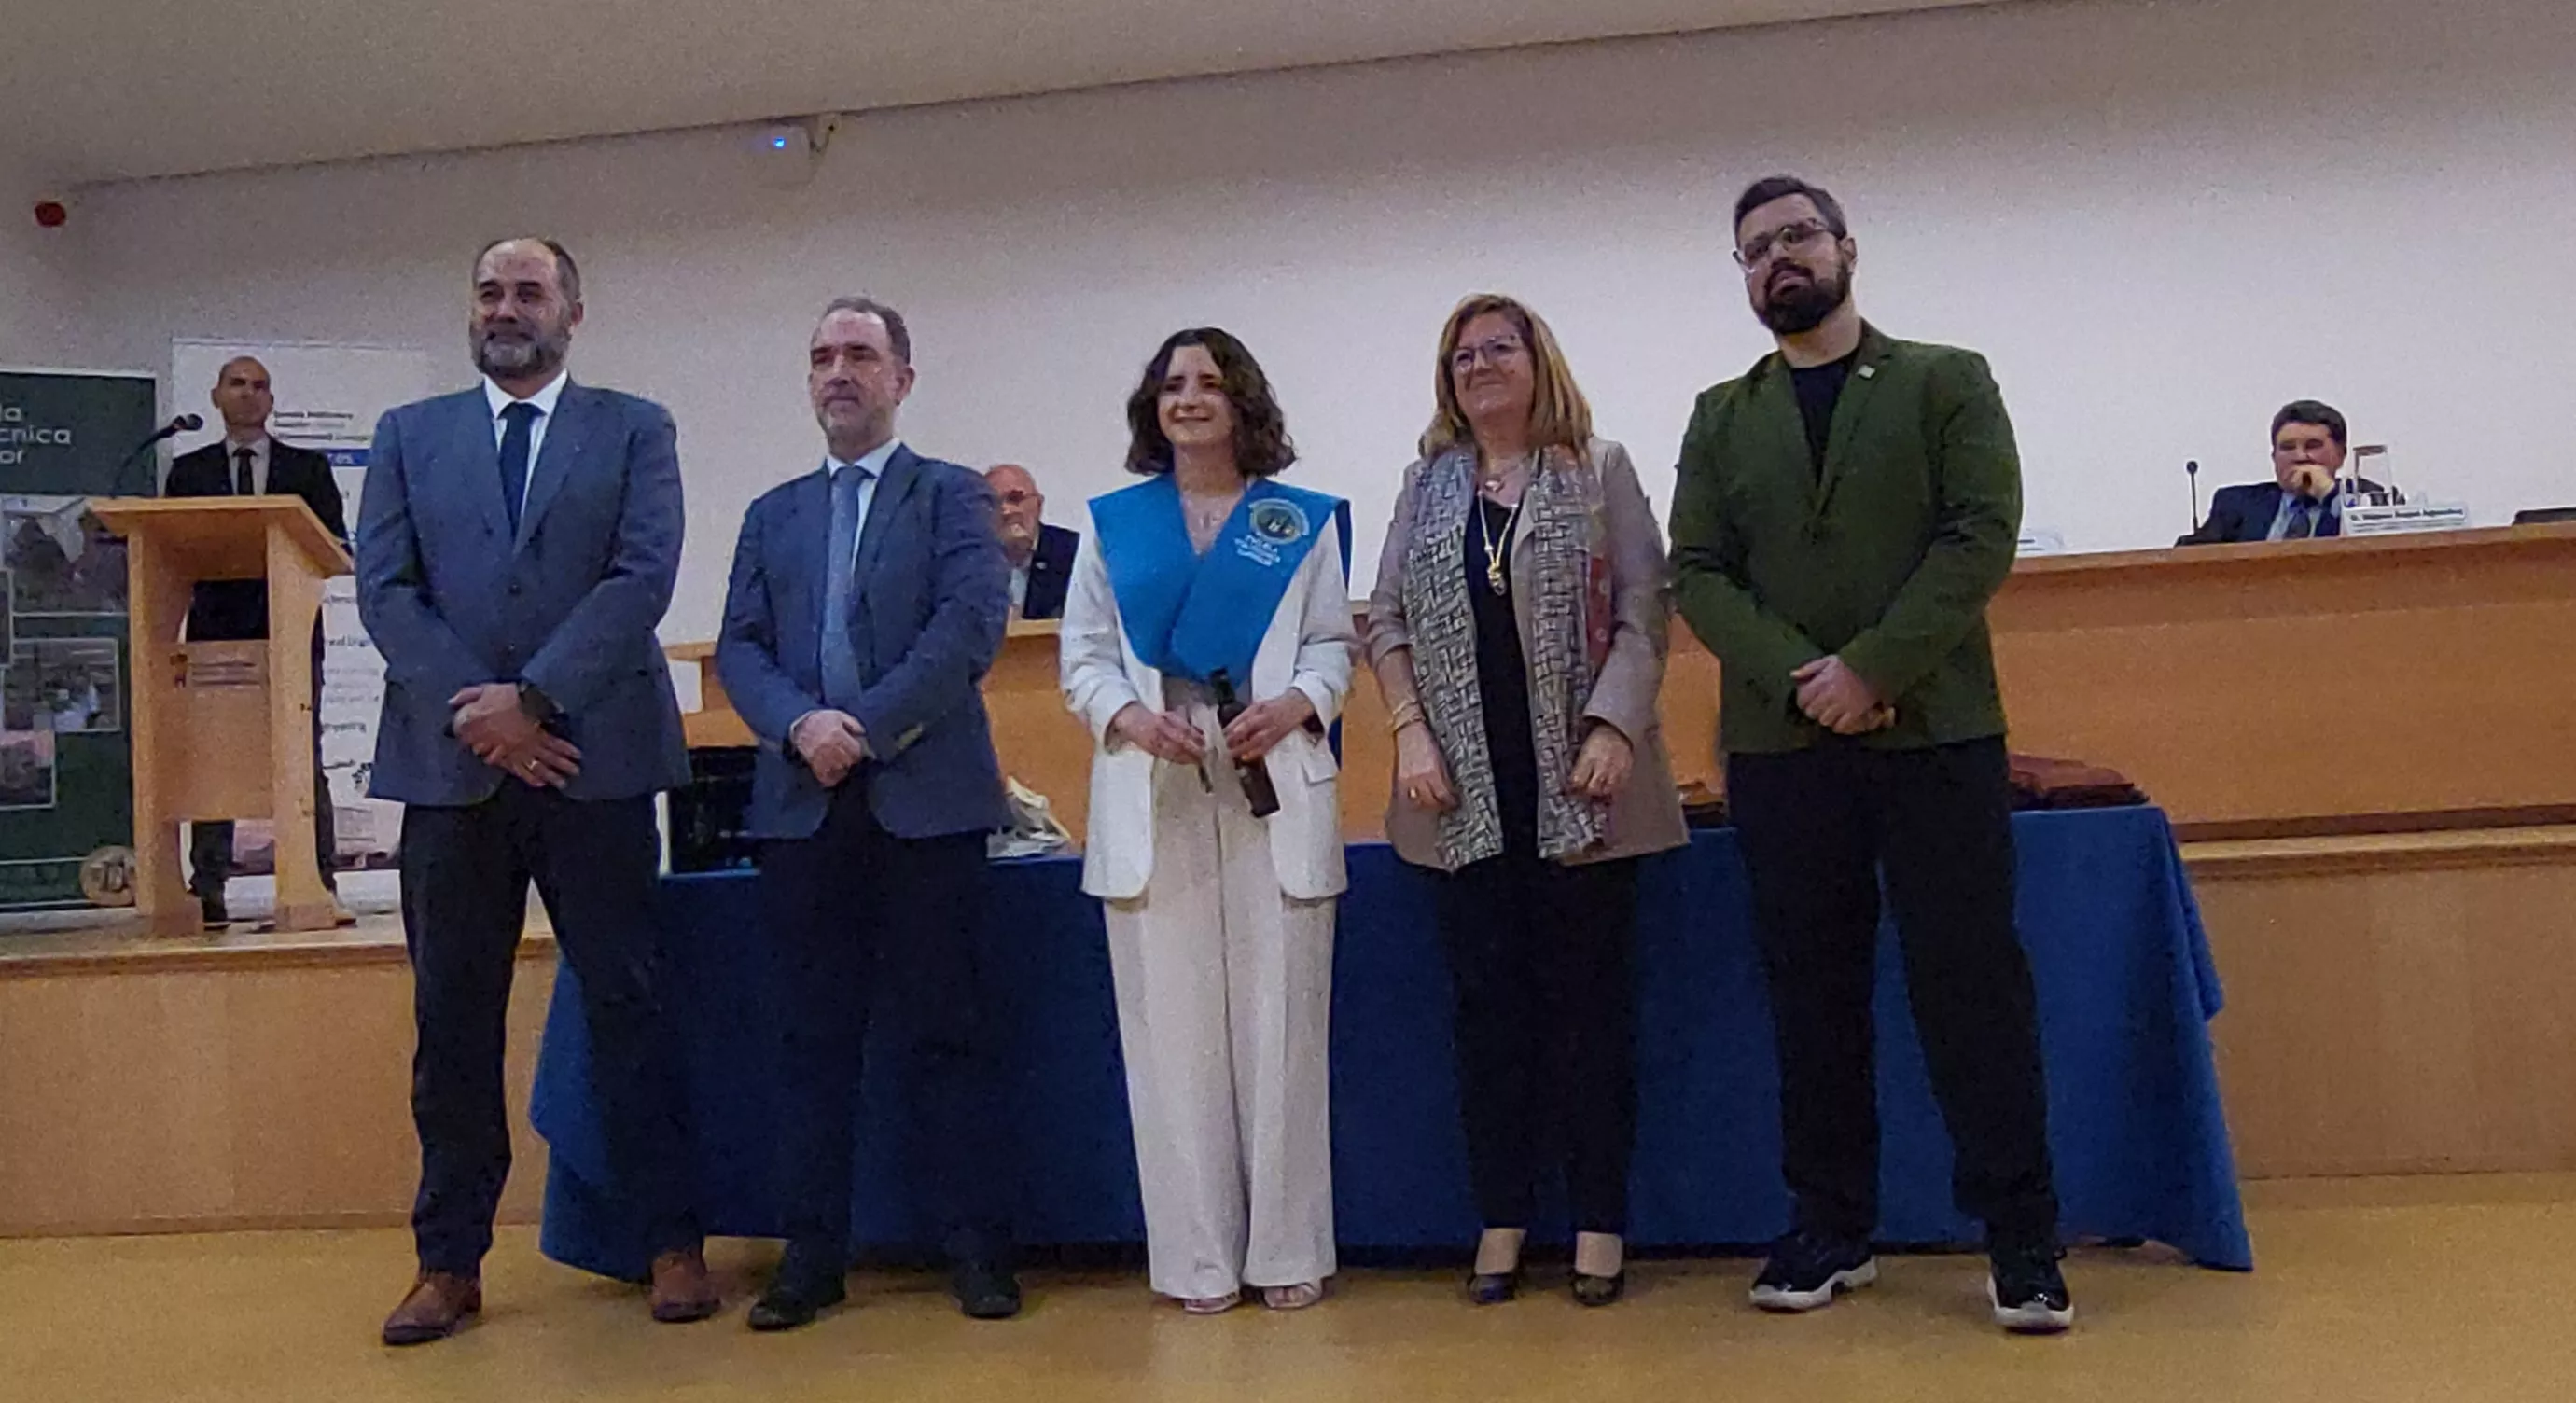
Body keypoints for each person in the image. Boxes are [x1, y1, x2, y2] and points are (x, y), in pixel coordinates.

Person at [1667, 175, 2072, 1334]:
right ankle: (1829, 1226)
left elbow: (1977, 532)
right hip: (1783, 749)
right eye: (1753, 251)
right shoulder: (1720, 413)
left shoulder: (1946, 378)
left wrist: (1873, 670)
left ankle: (2022, 1239)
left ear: (1846, 247)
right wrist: (1808, 675)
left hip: (1934, 733)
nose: (1776, 260)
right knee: (1811, 995)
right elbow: (1698, 569)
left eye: (1795, 236)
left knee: (1971, 988)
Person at [357, 237, 711, 1344]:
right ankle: (448, 1262)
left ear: (574, 311)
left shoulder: (634, 426)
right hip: (449, 769)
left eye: (529, 291)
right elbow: (386, 587)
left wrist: (540, 701)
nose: (506, 308)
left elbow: (641, 575)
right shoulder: (409, 436)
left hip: (593, 759)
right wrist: (489, 713)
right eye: (489, 290)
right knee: (450, 1021)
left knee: (629, 1006)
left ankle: (670, 1241)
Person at [1365, 294, 1686, 1307]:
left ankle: (1598, 1223)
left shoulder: (1598, 468)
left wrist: (1612, 724)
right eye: (1461, 354)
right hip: (1459, 796)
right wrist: (1409, 728)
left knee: (1593, 1019)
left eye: (1498, 347)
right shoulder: (1426, 487)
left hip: (1588, 791)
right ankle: (1499, 1216)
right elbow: (1384, 620)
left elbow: (1646, 605)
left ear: (1536, 359)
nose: (1479, 365)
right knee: (1486, 1020)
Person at [715, 296, 1023, 1331]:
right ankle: (811, 1257)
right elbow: (741, 648)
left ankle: (975, 1250)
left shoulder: (953, 498)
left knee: (950, 1034)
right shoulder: (772, 514)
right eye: (821, 357)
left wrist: (865, 727)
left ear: (902, 378)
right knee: (810, 1042)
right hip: (802, 808)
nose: (837, 372)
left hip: (925, 805)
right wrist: (804, 728)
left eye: (859, 355)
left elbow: (967, 631)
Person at [1059, 327, 1353, 1314]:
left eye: (1211, 383)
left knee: (1280, 1031)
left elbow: (1332, 643)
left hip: (1270, 784)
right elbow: (1084, 656)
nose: (1190, 397)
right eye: (1174, 383)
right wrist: (1129, 717)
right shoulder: (1113, 526)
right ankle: (1195, 1261)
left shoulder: (1296, 522)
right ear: (1153, 404)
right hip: (1155, 788)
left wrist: (1301, 702)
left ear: (1242, 403)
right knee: (1171, 1041)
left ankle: (1285, 1250)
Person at [163, 355, 351, 928]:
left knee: (304, 753)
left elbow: (334, 545)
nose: (249, 394)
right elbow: (172, 547)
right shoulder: (189, 472)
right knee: (212, 750)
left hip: (289, 629)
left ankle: (318, 881)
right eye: (237, 385)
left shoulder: (307, 468)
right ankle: (209, 887)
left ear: (271, 402)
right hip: (217, 629)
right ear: (216, 396)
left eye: (260, 386)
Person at [2178, 400, 2389, 545]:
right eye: (2288, 447)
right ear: (2274, 457)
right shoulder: (2237, 504)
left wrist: (2328, 494)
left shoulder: (2370, 498)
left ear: (2341, 455)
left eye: (2313, 445)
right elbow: (2186, 559)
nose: (2300, 456)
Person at [984, 462, 1080, 620]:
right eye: (993, 503)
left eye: (1015, 499)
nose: (1006, 511)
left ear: (1039, 504)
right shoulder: (968, 560)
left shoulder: (1073, 553)